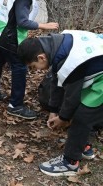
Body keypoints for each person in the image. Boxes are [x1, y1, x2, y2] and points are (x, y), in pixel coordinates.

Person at [17, 31, 103, 176]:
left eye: (33, 66)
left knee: (83, 116)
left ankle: (70, 162)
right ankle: (83, 146)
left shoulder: (71, 60)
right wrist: (53, 110)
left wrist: (63, 118)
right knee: (79, 112)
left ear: (41, 57)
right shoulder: (57, 44)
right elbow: (56, 82)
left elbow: (72, 97)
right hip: (97, 71)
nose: (34, 70)